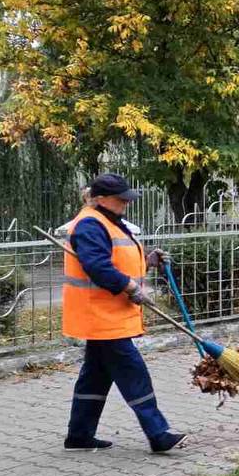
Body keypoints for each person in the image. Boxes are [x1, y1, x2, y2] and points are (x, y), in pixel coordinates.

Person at [62, 173, 184, 453]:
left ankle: (79, 436)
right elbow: (98, 267)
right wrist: (130, 287)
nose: (126, 204)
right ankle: (158, 433)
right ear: (101, 199)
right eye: (121, 200)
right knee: (134, 373)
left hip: (108, 315)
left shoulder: (107, 221)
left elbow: (118, 260)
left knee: (95, 376)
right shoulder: (90, 225)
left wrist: (147, 261)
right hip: (101, 315)